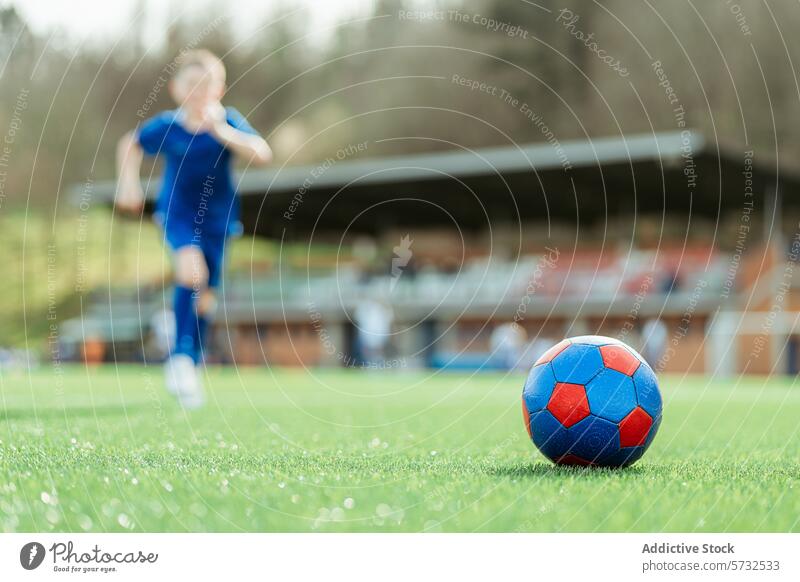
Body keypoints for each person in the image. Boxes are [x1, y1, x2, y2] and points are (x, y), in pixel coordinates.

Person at [115, 49, 272, 407]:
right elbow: (130, 143)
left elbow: (262, 153)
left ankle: (189, 360)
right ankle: (181, 359)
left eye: (207, 84)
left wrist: (221, 132)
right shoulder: (168, 125)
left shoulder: (228, 120)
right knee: (191, 272)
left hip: (219, 221)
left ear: (220, 88)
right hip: (178, 213)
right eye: (191, 84)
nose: (199, 91)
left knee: (206, 298)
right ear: (177, 88)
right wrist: (128, 183)